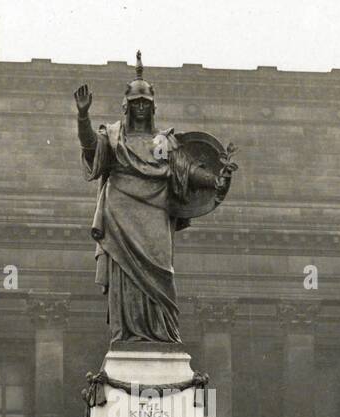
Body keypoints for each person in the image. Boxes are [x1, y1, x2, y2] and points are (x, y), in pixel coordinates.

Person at [74, 53, 235, 344]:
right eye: (135, 104)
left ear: (152, 108)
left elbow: (183, 169)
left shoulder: (162, 142)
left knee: (161, 274)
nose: (139, 110)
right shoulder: (113, 136)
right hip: (120, 212)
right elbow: (90, 149)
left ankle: (159, 334)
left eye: (144, 105)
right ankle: (129, 335)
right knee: (125, 277)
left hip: (155, 215)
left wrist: (215, 181)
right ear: (126, 107)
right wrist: (83, 116)